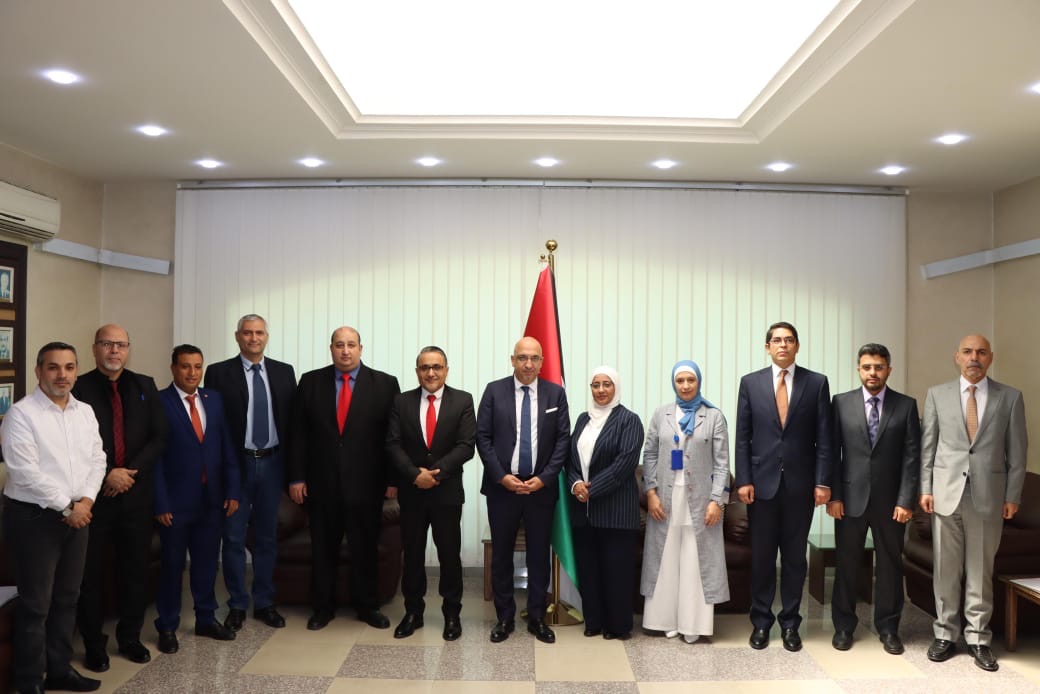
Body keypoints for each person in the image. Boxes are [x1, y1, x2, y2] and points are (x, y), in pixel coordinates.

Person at [2, 342, 107, 694]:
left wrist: (86, 501)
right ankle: (29, 680)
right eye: (53, 367)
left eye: (69, 367)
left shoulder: (84, 412)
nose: (62, 375)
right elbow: (25, 472)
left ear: (76, 371)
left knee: (67, 597)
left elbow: (98, 459)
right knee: (36, 604)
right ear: (39, 371)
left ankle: (60, 670)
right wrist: (68, 507)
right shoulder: (21, 414)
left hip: (78, 514)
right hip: (35, 519)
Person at [920, 334, 1027, 672]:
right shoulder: (936, 395)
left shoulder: (1010, 397)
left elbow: (1018, 452)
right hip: (945, 494)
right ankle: (945, 634)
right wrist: (925, 488)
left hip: (988, 496)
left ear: (990, 357)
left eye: (981, 352)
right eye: (967, 352)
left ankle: (979, 639)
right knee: (946, 569)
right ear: (957, 357)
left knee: (981, 571)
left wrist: (1012, 495)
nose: (974, 358)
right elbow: (928, 446)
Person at [288, 326, 400, 631]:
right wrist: (296, 477)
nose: (345, 351)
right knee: (324, 550)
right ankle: (322, 608)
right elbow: (298, 434)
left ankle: (368, 606)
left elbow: (393, 437)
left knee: (365, 549)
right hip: (322, 485)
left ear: (361, 348)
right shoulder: (311, 382)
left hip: (367, 486)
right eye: (339, 345)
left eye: (351, 344)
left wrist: (393, 480)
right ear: (331, 349)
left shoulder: (385, 384)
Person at [73, 325, 168, 671]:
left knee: (135, 572)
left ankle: (130, 637)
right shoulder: (78, 388)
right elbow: (73, 445)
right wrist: (109, 473)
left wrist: (129, 474)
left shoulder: (145, 385)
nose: (114, 350)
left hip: (135, 497)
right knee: (91, 575)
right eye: (107, 344)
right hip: (93, 499)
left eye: (121, 345)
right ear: (95, 348)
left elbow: (159, 437)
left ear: (128, 349)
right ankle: (93, 643)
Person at [734, 321, 832, 652]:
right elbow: (743, 437)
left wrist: (822, 481)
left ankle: (790, 623)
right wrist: (744, 479)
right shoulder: (750, 383)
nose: (783, 345)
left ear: (797, 346)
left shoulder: (816, 383)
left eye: (789, 340)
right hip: (760, 486)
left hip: (800, 487)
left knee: (794, 559)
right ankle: (761, 622)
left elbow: (824, 437)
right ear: (767, 347)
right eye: (776, 340)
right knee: (762, 559)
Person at [204, 314, 296, 631]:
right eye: (247, 333)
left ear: (266, 336)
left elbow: (292, 424)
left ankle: (265, 602)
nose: (253, 338)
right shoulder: (218, 373)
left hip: (272, 463)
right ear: (237, 336)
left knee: (267, 537)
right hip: (236, 465)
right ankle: (237, 604)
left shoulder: (284, 372)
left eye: (259, 333)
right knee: (233, 538)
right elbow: (213, 425)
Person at [476, 336, 570, 644]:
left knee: (539, 555)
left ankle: (537, 617)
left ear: (542, 362)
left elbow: (563, 440)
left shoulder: (555, 393)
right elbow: (483, 437)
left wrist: (545, 478)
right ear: (512, 360)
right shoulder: (494, 391)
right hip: (503, 489)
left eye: (534, 358)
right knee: (502, 554)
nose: (528, 364)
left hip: (540, 489)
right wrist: (501, 476)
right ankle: (504, 617)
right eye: (522, 358)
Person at [827, 343, 920, 655]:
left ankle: (889, 628)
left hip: (891, 503)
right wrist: (834, 496)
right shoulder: (841, 403)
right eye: (867, 367)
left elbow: (911, 458)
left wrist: (906, 500)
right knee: (846, 564)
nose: (873, 373)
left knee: (890, 567)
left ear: (888, 370)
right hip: (849, 500)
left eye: (879, 367)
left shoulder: (906, 406)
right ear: (859, 369)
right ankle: (843, 627)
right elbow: (833, 453)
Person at [153, 345, 241, 654]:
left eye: (197, 366)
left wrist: (232, 491)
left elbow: (227, 447)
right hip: (176, 503)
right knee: (173, 566)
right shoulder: (160, 402)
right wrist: (161, 503)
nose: (192, 373)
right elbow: (155, 459)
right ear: (173, 368)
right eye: (185, 366)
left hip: (212, 500)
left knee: (206, 564)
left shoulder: (212, 399)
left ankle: (206, 618)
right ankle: (167, 625)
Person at [385, 346, 476, 641]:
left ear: (446, 370)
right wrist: (415, 475)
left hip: (446, 493)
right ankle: (413, 612)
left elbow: (466, 445)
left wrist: (435, 474)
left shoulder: (463, 400)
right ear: (417, 372)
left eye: (437, 367)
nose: (431, 373)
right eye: (425, 367)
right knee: (412, 553)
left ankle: (452, 614)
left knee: (449, 554)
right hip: (412, 493)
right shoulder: (401, 402)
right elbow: (393, 443)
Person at [640, 361, 729, 643]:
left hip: (701, 500)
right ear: (673, 383)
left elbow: (722, 463)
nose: (686, 385)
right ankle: (664, 620)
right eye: (680, 381)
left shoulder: (714, 416)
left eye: (691, 380)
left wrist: (717, 501)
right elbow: (649, 455)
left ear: (698, 382)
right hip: (665, 498)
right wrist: (651, 493)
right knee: (665, 558)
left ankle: (693, 625)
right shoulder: (661, 414)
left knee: (695, 559)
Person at [567, 366, 644, 640]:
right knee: (589, 571)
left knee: (616, 573)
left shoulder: (629, 420)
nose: (601, 390)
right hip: (583, 512)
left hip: (616, 512)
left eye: (607, 384)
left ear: (616, 387)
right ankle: (594, 621)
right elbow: (569, 459)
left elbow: (624, 464)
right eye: (596, 385)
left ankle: (618, 626)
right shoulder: (582, 419)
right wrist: (575, 484)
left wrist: (591, 489)